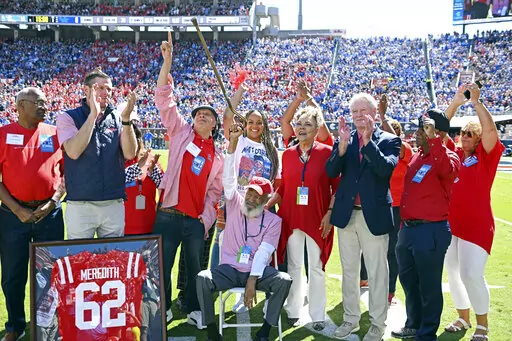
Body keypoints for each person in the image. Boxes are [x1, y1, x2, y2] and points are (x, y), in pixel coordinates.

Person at [194, 123, 292, 341]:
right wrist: (232, 147)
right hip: (229, 268)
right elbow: (228, 181)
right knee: (202, 278)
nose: (252, 198)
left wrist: (252, 280)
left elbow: (264, 253)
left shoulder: (274, 221)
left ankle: (265, 331)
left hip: (256, 271)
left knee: (284, 280)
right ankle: (212, 331)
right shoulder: (235, 203)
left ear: (266, 200)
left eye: (258, 196)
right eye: (250, 193)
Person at [152, 32, 224, 324]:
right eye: (199, 113)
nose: (202, 116)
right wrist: (167, 63)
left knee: (195, 267)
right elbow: (164, 100)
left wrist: (204, 220)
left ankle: (194, 307)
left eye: (208, 115)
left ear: (216, 124)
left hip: (193, 221)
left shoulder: (216, 156)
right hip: (168, 215)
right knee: (163, 265)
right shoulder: (181, 132)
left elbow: (214, 193)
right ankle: (163, 307)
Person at [325, 93, 401, 341]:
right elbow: (330, 171)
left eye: (362, 111)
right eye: (354, 112)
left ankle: (378, 324)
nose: (358, 116)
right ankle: (351, 319)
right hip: (348, 216)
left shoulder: (390, 140)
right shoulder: (347, 139)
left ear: (374, 114)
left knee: (378, 273)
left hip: (373, 216)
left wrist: (368, 143)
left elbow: (384, 170)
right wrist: (342, 148)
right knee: (349, 271)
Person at [0, 87, 65, 341]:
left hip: (49, 213)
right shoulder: (3, 135)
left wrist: (52, 202)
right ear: (20, 106)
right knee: (13, 274)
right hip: (11, 215)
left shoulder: (56, 134)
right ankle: (15, 326)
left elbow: (66, 174)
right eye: (38, 102)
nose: (44, 106)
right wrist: (17, 209)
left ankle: (47, 325)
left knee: (50, 273)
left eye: (45, 102)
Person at [266, 106, 339, 330]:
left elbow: (336, 187)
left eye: (307, 125)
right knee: (294, 266)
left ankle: (317, 314)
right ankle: (294, 310)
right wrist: (268, 203)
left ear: (317, 129)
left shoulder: (327, 153)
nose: (301, 129)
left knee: (316, 267)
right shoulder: (287, 154)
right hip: (291, 216)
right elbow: (286, 186)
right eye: (299, 125)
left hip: (318, 217)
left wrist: (329, 213)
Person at [442, 83, 505, 341]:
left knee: (471, 274)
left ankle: (483, 324)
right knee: (453, 273)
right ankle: (463, 317)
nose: (464, 136)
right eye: (462, 133)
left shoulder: (485, 156)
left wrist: (476, 103)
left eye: (470, 133)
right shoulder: (455, 154)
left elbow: (491, 130)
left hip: (476, 226)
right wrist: (456, 102)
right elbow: (438, 128)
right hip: (451, 226)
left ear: (477, 137)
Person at [391, 109, 460, 340]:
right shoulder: (417, 155)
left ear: (437, 133)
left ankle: (427, 332)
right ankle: (414, 323)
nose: (417, 133)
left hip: (431, 230)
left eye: (424, 129)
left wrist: (434, 140)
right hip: (408, 230)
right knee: (409, 282)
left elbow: (446, 170)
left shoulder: (449, 157)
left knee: (429, 286)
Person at [220, 82, 281, 313]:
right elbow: (227, 117)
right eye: (251, 122)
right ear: (244, 124)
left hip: (262, 208)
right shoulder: (239, 140)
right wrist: (240, 91)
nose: (255, 126)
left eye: (259, 122)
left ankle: (263, 290)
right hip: (238, 204)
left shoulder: (271, 150)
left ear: (264, 126)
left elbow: (277, 182)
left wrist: (267, 206)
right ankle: (236, 289)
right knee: (237, 247)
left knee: (261, 249)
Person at [56, 67, 138, 239]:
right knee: (79, 259)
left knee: (112, 260)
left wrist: (126, 120)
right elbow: (73, 151)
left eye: (109, 89)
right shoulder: (68, 117)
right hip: (80, 203)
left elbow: (130, 153)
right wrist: (93, 115)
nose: (106, 92)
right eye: (100, 87)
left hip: (113, 202)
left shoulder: (117, 116)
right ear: (86, 90)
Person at [377, 95, 414, 305]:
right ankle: (368, 280)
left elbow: (398, 146)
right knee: (373, 247)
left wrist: (382, 117)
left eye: (392, 130)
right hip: (380, 203)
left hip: (397, 206)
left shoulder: (405, 149)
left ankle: (390, 289)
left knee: (392, 250)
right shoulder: (380, 149)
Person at [124, 123, 163, 235]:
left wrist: (153, 171)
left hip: (149, 227)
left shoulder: (151, 160)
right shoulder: (116, 160)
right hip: (121, 229)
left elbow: (164, 187)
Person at [281, 79, 332, 148]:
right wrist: (298, 99)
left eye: (307, 124)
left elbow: (318, 116)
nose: (302, 127)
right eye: (299, 123)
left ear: (316, 129)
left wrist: (307, 97)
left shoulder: (322, 142)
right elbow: (284, 121)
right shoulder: (293, 143)